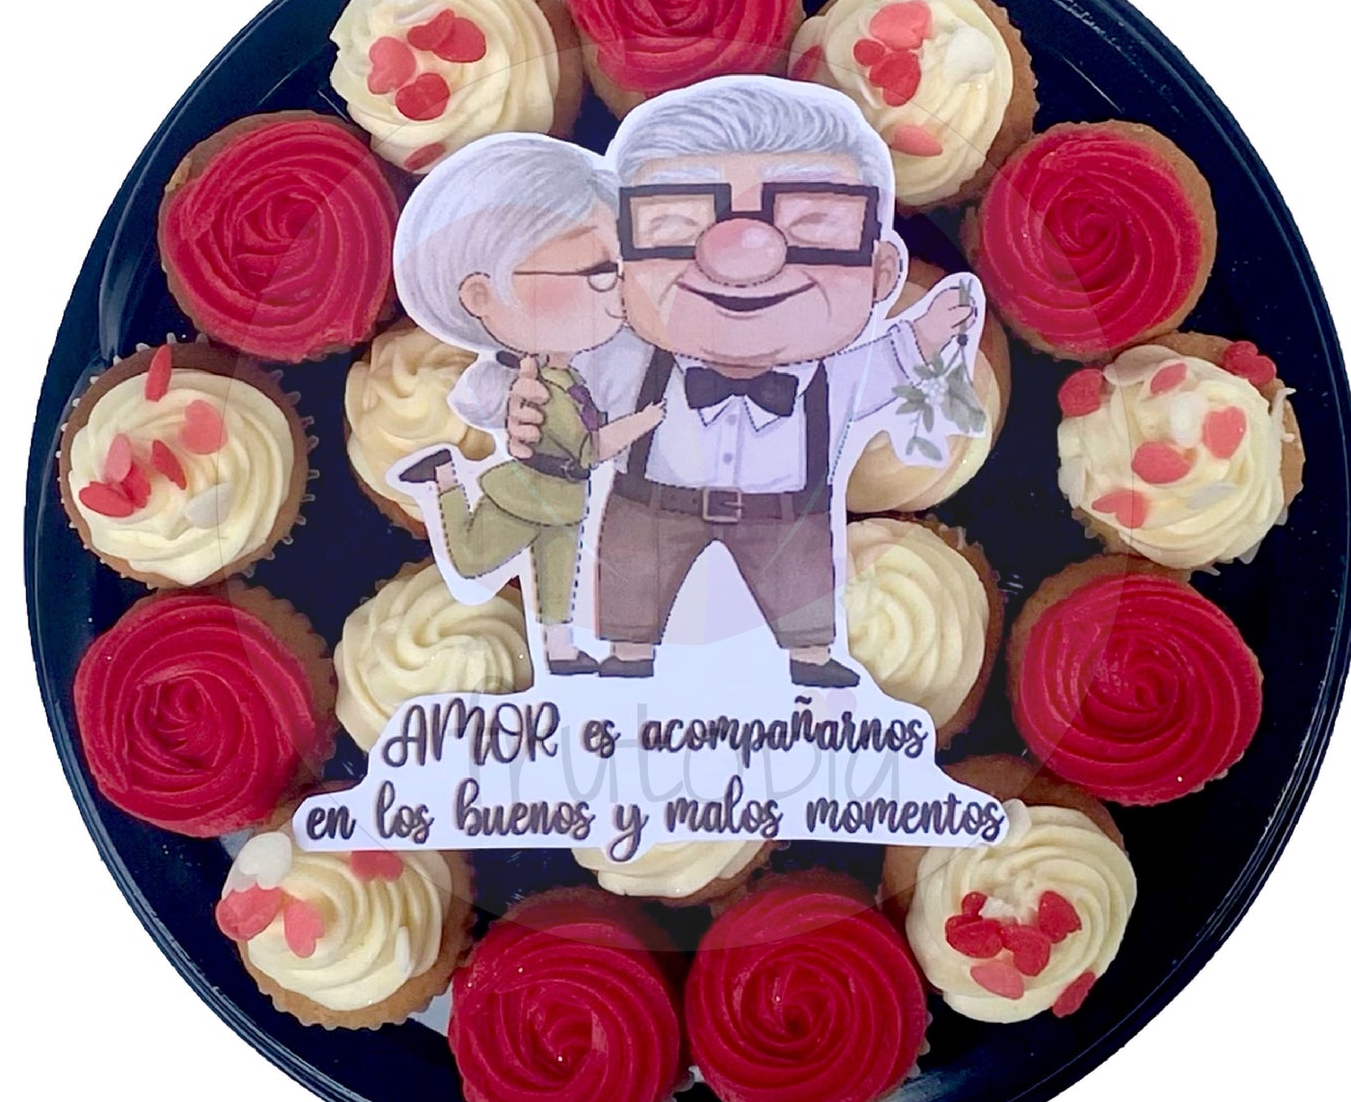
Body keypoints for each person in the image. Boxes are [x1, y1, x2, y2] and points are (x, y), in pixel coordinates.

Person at [505, 76, 976, 686]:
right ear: (618, 263)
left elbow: (884, 365)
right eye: (678, 224)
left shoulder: (827, 383)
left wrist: (927, 332)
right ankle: (627, 654)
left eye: (810, 224)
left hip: (784, 514)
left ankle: (810, 659)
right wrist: (527, 403)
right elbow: (561, 375)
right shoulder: (628, 363)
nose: (741, 255)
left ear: (881, 271)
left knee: (800, 584)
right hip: (654, 504)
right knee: (631, 579)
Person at [389, 133, 665, 675]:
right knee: (473, 560)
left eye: (622, 265)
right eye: (599, 272)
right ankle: (443, 479)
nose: (620, 288)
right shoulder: (529, 389)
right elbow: (589, 446)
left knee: (559, 576)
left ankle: (560, 649)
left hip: (572, 500)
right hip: (528, 494)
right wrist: (646, 420)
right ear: (479, 297)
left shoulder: (582, 369)